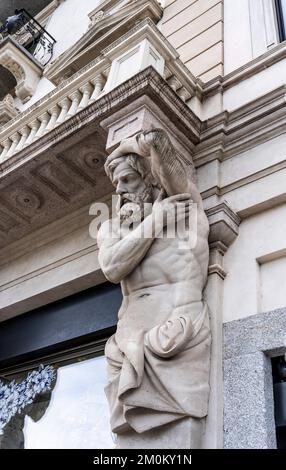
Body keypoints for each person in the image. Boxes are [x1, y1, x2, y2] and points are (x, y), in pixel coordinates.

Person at [97, 128, 211, 437]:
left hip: (178, 331)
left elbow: (164, 153)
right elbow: (112, 267)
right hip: (127, 343)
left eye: (127, 180)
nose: (119, 190)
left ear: (149, 178)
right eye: (116, 182)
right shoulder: (112, 228)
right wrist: (156, 219)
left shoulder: (183, 207)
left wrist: (146, 140)